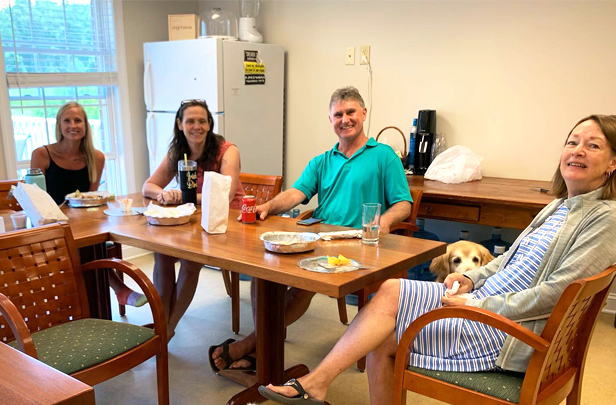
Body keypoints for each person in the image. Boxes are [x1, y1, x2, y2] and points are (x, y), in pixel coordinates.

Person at [259, 114, 616, 405]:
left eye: (594, 145)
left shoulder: (604, 220)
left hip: (504, 329)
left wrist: (477, 304)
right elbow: (509, 260)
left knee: (382, 331)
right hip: (486, 303)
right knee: (389, 292)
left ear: (613, 162)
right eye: (573, 141)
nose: (578, 150)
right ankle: (324, 388)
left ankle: (345, 404)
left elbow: (559, 296)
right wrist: (471, 278)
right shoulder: (559, 207)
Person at [210, 86, 412, 372]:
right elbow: (296, 193)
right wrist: (267, 207)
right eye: (338, 114)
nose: (345, 119)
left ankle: (252, 345)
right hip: (316, 236)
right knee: (260, 270)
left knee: (300, 287)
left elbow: (403, 203)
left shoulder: (384, 156)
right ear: (330, 120)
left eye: (351, 112)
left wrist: (386, 221)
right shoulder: (322, 160)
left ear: (364, 114)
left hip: (356, 242)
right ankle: (265, 346)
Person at [143, 99, 244, 339]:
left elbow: (226, 194)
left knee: (190, 261)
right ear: (180, 124)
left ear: (210, 124)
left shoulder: (227, 150)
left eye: (202, 121)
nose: (196, 126)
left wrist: (185, 198)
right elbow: (148, 186)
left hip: (227, 218)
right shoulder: (177, 152)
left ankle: (168, 328)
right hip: (193, 218)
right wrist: (165, 194)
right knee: (162, 254)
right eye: (190, 121)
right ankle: (162, 321)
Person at [30, 102, 146, 308]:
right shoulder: (42, 154)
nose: (72, 125)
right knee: (80, 245)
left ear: (85, 125)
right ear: (59, 124)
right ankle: (117, 289)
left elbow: (89, 198)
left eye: (78, 120)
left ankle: (96, 303)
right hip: (50, 223)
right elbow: (35, 198)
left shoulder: (96, 157)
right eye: (67, 120)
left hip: (82, 221)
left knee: (90, 240)